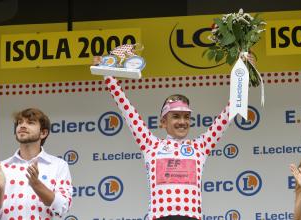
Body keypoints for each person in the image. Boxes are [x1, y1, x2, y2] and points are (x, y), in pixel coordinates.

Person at [100, 63, 233, 219]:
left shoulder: (200, 146)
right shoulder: (150, 144)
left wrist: (244, 76)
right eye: (175, 116)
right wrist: (107, 74)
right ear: (163, 122)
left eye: (186, 117)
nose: (182, 121)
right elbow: (127, 109)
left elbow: (228, 114)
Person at [0, 108, 73, 220]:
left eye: (30, 122)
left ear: (43, 133)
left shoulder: (58, 165)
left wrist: (36, 185)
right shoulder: (2, 168)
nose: (22, 126)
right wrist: (0, 191)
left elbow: (63, 207)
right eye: (20, 122)